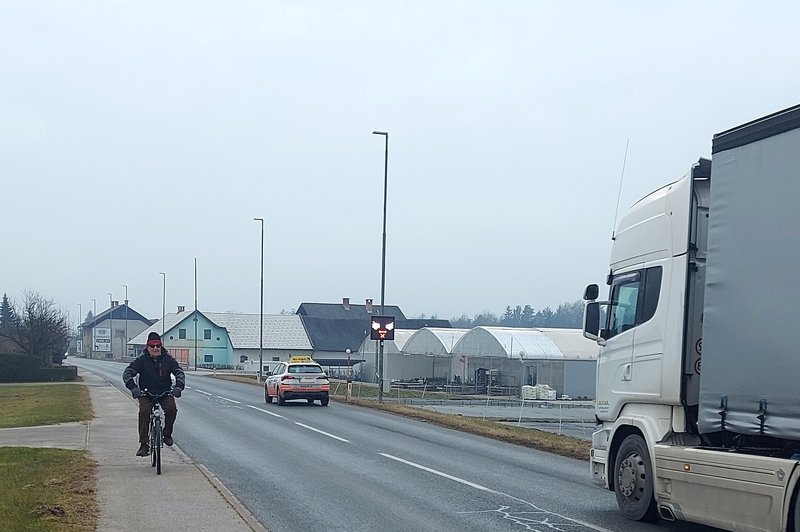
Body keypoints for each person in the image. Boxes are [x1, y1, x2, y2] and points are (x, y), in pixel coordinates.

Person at [123, 332, 185, 457]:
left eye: (158, 345)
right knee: (144, 413)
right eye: (152, 346)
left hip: (165, 392)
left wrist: (179, 387)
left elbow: (179, 372)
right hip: (146, 393)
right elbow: (127, 373)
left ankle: (167, 434)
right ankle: (144, 444)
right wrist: (133, 388)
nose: (156, 348)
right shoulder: (141, 360)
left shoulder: (168, 359)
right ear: (147, 347)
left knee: (171, 409)